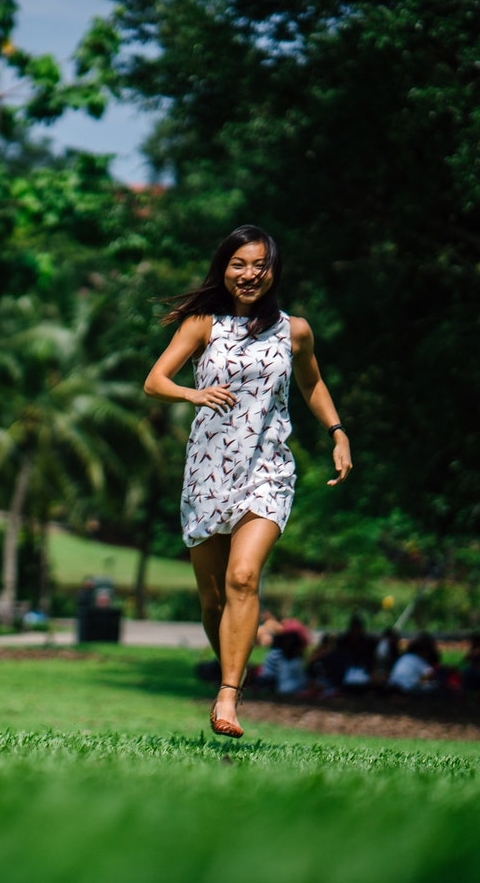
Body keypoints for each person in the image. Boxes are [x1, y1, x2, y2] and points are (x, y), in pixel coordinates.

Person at [143, 225, 352, 737]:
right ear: (224, 269)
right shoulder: (202, 324)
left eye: (259, 264)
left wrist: (338, 432)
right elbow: (155, 381)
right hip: (208, 472)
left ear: (273, 270)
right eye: (239, 264)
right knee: (214, 599)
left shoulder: (294, 330)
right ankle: (231, 670)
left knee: (242, 577)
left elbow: (312, 382)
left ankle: (228, 696)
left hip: (268, 469)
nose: (249, 274)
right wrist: (192, 395)